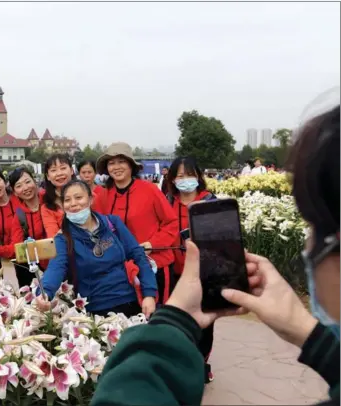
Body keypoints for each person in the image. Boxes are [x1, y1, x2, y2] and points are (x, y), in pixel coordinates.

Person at [91, 103, 340, 406]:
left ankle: (198, 361)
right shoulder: (108, 196)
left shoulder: (155, 193)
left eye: (315, 226)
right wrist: (307, 332)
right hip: (129, 266)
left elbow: (126, 396)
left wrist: (169, 318)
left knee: (196, 316)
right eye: (111, 163)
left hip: (163, 262)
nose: (308, 247)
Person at [36, 180, 157, 317]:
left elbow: (138, 255)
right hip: (96, 309)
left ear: (91, 199)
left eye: (79, 197)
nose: (73, 203)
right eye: (67, 200)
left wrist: (149, 294)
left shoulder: (113, 223)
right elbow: (56, 267)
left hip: (130, 300)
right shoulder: (63, 238)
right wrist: (44, 292)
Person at [96, 142, 179, 306]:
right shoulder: (103, 195)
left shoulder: (150, 190)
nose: (116, 167)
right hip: (122, 270)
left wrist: (153, 243)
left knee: (157, 317)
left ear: (131, 166)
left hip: (155, 264)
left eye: (121, 161)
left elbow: (171, 223)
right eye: (111, 163)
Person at [165, 156, 217, 382]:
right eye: (179, 175)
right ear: (172, 179)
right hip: (175, 272)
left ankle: (201, 364)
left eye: (189, 174)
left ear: (198, 176)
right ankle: (182, 364)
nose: (185, 179)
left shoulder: (210, 202)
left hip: (204, 274)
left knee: (205, 322)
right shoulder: (167, 203)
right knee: (178, 322)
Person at [40, 154, 75, 238]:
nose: (59, 173)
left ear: (71, 170)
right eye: (53, 170)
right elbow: (54, 237)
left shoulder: (87, 195)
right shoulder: (47, 207)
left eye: (63, 168)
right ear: (48, 176)